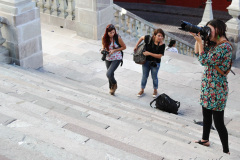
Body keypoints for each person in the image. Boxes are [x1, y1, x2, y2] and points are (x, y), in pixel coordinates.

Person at [190, 19, 232, 154]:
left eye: (210, 29)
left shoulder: (225, 47)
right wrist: (199, 39)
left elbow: (204, 60)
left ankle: (226, 151)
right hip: (208, 85)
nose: (208, 32)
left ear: (218, 30)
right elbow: (198, 54)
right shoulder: (214, 44)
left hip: (217, 89)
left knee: (218, 122)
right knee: (206, 115)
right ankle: (205, 140)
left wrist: (200, 42)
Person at [134, 28, 165, 98]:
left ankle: (155, 90)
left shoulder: (162, 45)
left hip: (155, 63)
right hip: (146, 61)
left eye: (162, 36)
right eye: (159, 36)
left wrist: (149, 53)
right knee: (144, 76)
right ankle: (142, 89)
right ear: (154, 35)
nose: (160, 37)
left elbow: (159, 56)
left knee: (154, 77)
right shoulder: (148, 38)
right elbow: (141, 38)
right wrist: (136, 45)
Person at [101, 24, 126, 95]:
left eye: (113, 32)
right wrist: (102, 49)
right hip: (108, 57)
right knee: (110, 74)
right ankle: (111, 88)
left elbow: (124, 47)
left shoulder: (117, 38)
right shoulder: (104, 37)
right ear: (107, 32)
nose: (112, 34)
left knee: (108, 73)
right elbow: (103, 45)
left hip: (117, 57)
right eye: (110, 33)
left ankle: (114, 84)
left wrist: (114, 50)